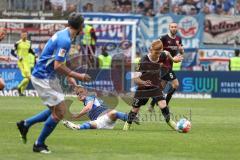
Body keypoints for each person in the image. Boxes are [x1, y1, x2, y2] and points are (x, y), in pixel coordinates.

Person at [16, 12, 91, 154]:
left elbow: (61, 64)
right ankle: (39, 144)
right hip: (43, 77)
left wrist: (74, 84)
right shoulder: (66, 41)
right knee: (60, 112)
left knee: (55, 110)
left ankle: (25, 124)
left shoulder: (64, 34)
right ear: (81, 26)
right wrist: (79, 76)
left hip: (47, 76)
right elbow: (58, 66)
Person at [123, 39, 183, 131]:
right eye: (156, 53)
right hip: (143, 88)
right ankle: (128, 124)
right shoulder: (143, 61)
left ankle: (171, 122)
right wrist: (143, 82)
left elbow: (166, 53)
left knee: (163, 104)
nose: (158, 55)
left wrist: (173, 60)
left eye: (159, 53)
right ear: (151, 50)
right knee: (135, 109)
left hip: (155, 86)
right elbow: (135, 78)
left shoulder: (161, 54)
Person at [62, 85, 139, 130]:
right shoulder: (86, 101)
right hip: (102, 122)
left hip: (105, 116)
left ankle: (131, 118)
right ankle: (77, 127)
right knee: (92, 124)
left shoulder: (90, 97)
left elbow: (88, 108)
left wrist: (77, 115)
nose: (80, 94)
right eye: (78, 94)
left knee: (113, 113)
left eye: (81, 92)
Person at [148, 22, 184, 112]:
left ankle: (151, 105)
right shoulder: (163, 38)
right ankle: (165, 106)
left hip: (169, 66)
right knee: (176, 84)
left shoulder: (179, 39)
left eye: (175, 27)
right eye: (172, 27)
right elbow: (155, 48)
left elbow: (181, 52)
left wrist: (181, 51)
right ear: (169, 28)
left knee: (161, 87)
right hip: (163, 65)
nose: (173, 28)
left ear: (177, 28)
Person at [11, 30, 36, 96]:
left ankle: (20, 91)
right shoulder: (17, 43)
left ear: (27, 35)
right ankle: (19, 87)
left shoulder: (29, 43)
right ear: (21, 35)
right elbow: (12, 52)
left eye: (25, 35)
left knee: (27, 79)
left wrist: (35, 55)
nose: (24, 36)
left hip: (27, 62)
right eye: (23, 35)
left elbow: (30, 51)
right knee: (28, 77)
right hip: (21, 62)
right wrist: (18, 57)